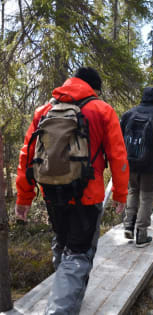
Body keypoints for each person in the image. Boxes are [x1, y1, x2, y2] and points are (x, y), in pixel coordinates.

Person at [15, 67, 129, 314]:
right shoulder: (102, 110)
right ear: (94, 88)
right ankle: (60, 309)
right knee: (78, 254)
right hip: (87, 196)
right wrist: (120, 194)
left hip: (51, 193)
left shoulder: (44, 111)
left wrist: (23, 198)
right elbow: (118, 157)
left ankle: (67, 297)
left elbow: (27, 156)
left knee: (62, 242)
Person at [120, 87, 153, 247]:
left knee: (132, 191)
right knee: (146, 197)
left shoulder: (129, 114)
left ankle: (128, 224)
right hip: (150, 164)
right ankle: (141, 234)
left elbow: (119, 139)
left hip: (130, 162)